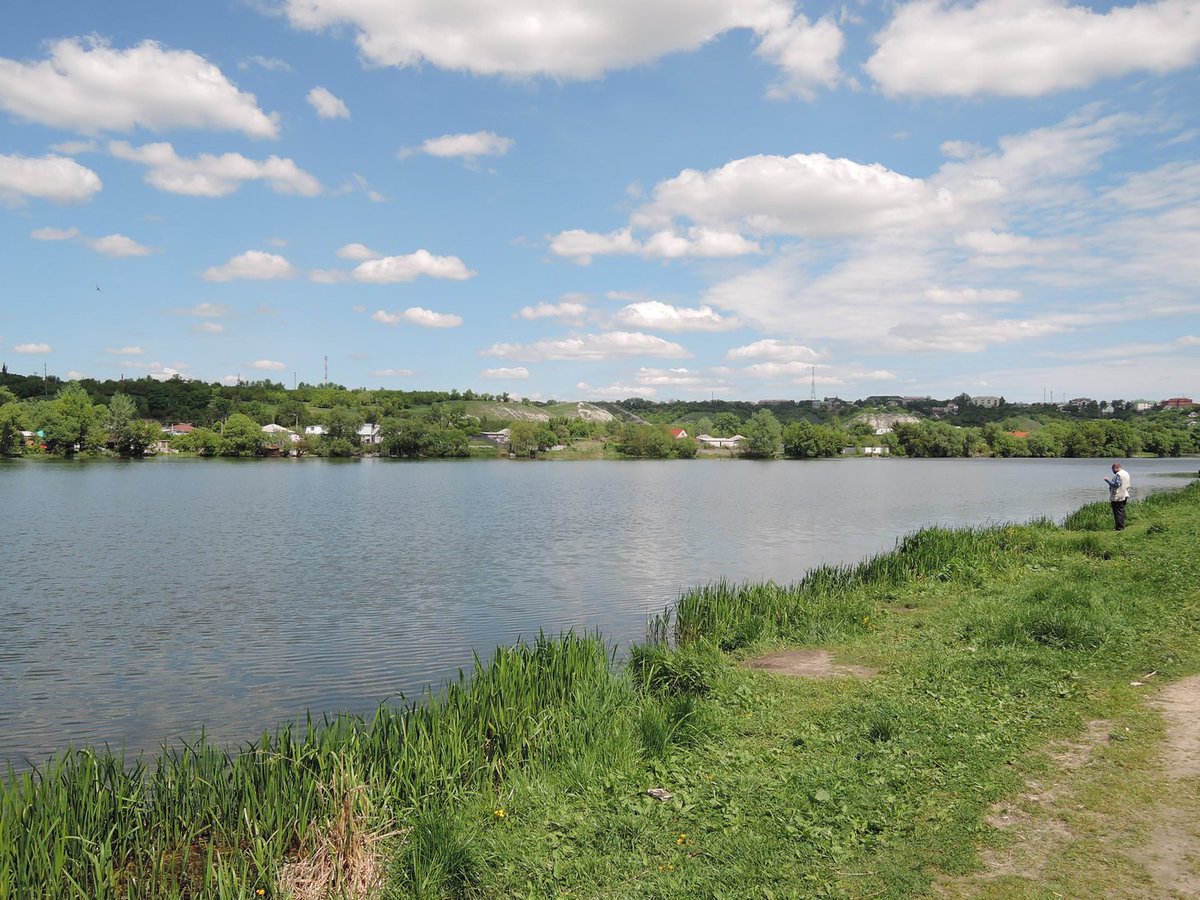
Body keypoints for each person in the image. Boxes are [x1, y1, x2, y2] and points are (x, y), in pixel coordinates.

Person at [1104, 462, 1131, 531]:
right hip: (1125, 494)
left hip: (1118, 496)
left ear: (1115, 468)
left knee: (1117, 512)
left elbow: (1117, 484)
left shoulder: (1119, 474)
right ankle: (1122, 525)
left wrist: (1108, 481)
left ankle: (1119, 527)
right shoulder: (1126, 473)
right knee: (1121, 511)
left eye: (1112, 469)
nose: (1112, 471)